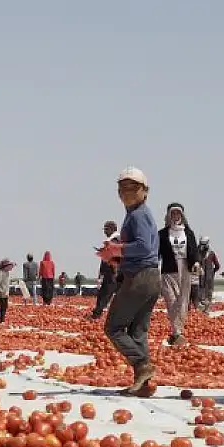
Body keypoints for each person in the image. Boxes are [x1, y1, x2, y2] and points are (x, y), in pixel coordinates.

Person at [95, 167, 162, 395]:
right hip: (151, 276)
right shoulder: (135, 214)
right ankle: (143, 384)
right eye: (123, 188)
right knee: (137, 332)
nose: (127, 192)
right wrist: (117, 257)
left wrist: (118, 249)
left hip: (140, 278)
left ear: (145, 191)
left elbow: (143, 246)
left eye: (133, 188)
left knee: (113, 327)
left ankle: (142, 365)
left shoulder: (138, 215)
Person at [158, 203, 198, 346]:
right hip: (169, 269)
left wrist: (196, 263)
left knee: (182, 300)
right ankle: (177, 331)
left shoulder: (188, 232)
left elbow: (193, 250)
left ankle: (177, 332)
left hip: (185, 268)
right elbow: (157, 253)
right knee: (171, 299)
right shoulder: (162, 234)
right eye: (173, 214)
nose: (175, 216)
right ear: (168, 216)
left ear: (182, 215)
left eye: (178, 214)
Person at [90, 221, 121, 319]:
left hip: (112, 271)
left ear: (112, 229)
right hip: (112, 271)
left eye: (106, 229)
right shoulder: (113, 240)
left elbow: (113, 257)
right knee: (105, 293)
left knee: (105, 293)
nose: (105, 232)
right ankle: (98, 313)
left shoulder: (114, 240)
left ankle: (97, 314)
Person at [197, 237, 220, 312]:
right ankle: (204, 309)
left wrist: (212, 272)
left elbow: (217, 265)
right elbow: (217, 266)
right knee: (204, 293)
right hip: (202, 277)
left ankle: (206, 309)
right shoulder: (210, 253)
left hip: (205, 277)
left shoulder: (210, 253)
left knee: (206, 293)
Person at [0, 259, 15, 323]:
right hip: (2, 293)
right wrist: (0, 290)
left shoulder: (7, 272)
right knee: (2, 306)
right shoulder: (1, 272)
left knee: (5, 306)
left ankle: (2, 319)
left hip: (6, 292)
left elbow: (7, 282)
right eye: (10, 267)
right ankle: (2, 320)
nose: (11, 268)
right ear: (6, 266)